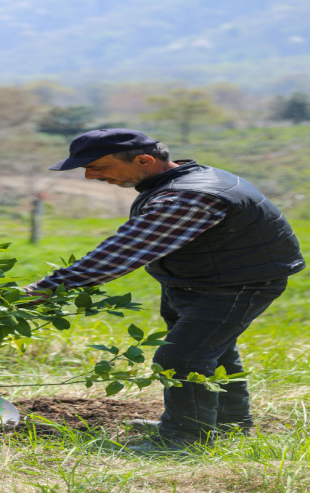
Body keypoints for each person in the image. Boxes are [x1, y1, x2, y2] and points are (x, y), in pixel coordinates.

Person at [25, 128, 305, 452]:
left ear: (144, 160)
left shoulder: (188, 196)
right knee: (214, 352)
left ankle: (185, 439)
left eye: (98, 167)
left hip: (234, 285)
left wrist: (46, 289)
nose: (89, 176)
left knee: (182, 358)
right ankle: (228, 426)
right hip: (201, 279)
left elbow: (125, 250)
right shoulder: (186, 179)